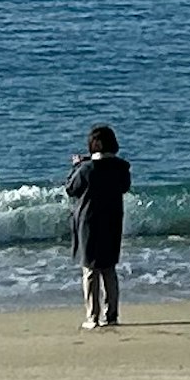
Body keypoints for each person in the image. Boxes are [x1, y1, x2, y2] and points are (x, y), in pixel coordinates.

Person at [66, 123, 130, 330]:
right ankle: (112, 315)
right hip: (112, 220)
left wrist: (76, 165)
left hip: (89, 223)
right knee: (109, 270)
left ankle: (92, 317)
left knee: (90, 271)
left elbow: (71, 189)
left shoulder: (86, 169)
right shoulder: (121, 167)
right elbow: (125, 187)